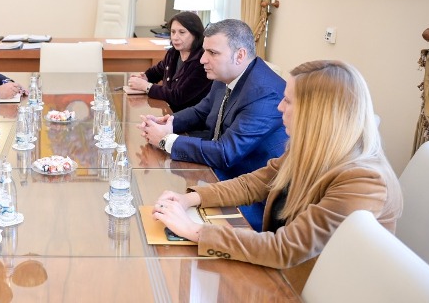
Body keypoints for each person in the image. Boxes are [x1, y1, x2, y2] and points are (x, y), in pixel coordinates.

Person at [151, 60, 403, 293]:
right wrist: (190, 199)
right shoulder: (311, 147)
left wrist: (194, 231)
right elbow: (255, 183)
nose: (280, 107)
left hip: (315, 288)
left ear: (318, 114)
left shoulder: (363, 181)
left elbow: (285, 249)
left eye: (288, 101)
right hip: (285, 271)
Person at [138, 19, 287, 229]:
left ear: (240, 55)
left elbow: (226, 153)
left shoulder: (265, 94)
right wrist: (169, 123)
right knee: (158, 202)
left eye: (212, 53)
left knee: (165, 214)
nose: (202, 60)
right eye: (204, 51)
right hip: (219, 176)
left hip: (254, 195)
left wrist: (166, 140)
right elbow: (201, 111)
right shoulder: (227, 75)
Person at [127, 11, 212, 111]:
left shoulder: (202, 61)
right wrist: (145, 77)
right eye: (173, 32)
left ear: (195, 34)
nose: (175, 37)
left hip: (186, 117)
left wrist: (147, 87)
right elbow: (158, 70)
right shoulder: (173, 53)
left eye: (182, 32)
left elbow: (178, 96)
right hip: (168, 111)